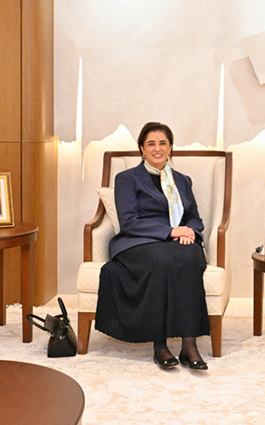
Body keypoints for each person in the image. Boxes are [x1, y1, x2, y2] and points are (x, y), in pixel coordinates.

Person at [95, 122, 210, 371]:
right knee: (161, 262)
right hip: (138, 240)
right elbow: (129, 221)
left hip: (179, 240)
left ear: (170, 147)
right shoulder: (127, 178)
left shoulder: (182, 181)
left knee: (192, 259)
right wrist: (171, 231)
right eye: (151, 144)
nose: (157, 148)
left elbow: (193, 217)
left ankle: (189, 345)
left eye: (163, 143)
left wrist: (190, 231)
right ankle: (160, 346)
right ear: (142, 149)